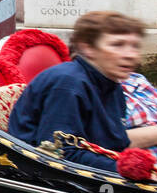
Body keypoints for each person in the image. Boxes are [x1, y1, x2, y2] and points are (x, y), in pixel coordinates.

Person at [8, 11, 142, 170]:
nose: (131, 55)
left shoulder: (112, 84)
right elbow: (60, 153)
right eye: (117, 45)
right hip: (38, 177)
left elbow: (115, 145)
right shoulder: (68, 83)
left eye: (135, 46)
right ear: (88, 48)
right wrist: (128, 169)